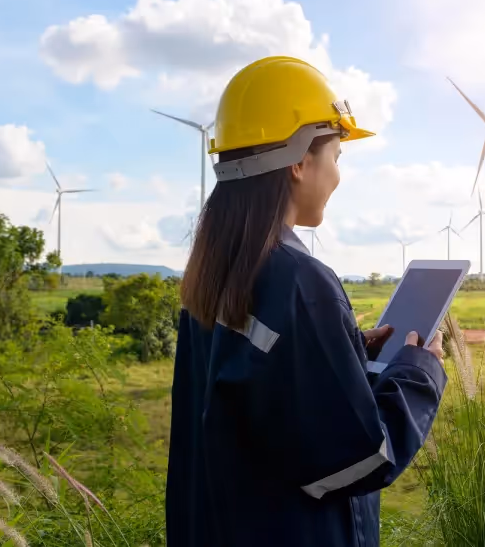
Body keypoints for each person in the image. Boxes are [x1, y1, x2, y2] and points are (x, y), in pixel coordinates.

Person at [165, 56, 447, 546]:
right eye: (336, 156)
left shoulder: (213, 272)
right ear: (298, 162)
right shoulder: (300, 281)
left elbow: (255, 387)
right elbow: (357, 459)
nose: (337, 175)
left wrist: (347, 348)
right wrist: (420, 372)